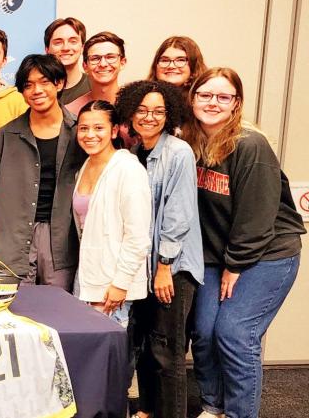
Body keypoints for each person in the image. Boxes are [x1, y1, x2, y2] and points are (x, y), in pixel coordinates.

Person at [183, 68, 305, 418]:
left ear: (236, 103)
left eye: (224, 97)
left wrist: (235, 266)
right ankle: (213, 405)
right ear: (192, 98)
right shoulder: (191, 141)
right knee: (204, 332)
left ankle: (239, 413)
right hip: (218, 253)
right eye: (205, 95)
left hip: (267, 255)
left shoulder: (249, 144)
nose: (213, 103)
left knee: (235, 334)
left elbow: (256, 218)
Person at [116, 80, 203, 418]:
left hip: (173, 268)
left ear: (169, 114)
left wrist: (164, 266)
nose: (149, 117)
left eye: (158, 111)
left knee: (168, 352)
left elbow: (178, 216)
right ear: (130, 112)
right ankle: (148, 410)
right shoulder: (135, 154)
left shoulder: (178, 152)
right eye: (142, 110)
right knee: (147, 347)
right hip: (146, 267)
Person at [0, 54, 86, 292]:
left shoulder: (80, 133)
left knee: (59, 313)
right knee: (13, 313)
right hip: (12, 240)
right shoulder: (5, 136)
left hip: (62, 241)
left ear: (59, 83)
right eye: (28, 85)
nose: (37, 90)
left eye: (44, 82)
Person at [70, 99, 151, 325]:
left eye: (99, 128)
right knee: (87, 352)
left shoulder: (129, 169)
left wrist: (120, 284)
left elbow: (137, 236)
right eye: (84, 128)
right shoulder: (86, 165)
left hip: (112, 282)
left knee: (105, 355)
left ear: (114, 130)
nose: (90, 135)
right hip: (86, 276)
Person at [65, 31, 127, 117]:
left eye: (110, 57)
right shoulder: (70, 112)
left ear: (122, 63)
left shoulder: (137, 107)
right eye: (95, 58)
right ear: (85, 66)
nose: (103, 64)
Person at [44, 17, 90, 105]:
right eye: (58, 42)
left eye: (73, 41)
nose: (66, 48)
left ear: (82, 48)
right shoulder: (37, 89)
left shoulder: (94, 85)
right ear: (47, 50)